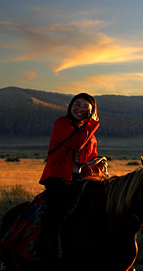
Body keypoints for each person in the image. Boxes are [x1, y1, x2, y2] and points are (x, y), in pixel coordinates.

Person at [38, 93, 100, 258]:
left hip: (81, 178)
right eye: (76, 104)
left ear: (92, 111)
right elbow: (76, 142)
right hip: (58, 177)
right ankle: (44, 251)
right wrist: (92, 123)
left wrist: (98, 166)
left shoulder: (90, 134)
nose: (79, 109)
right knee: (56, 210)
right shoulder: (62, 123)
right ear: (70, 106)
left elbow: (91, 159)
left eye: (86, 106)